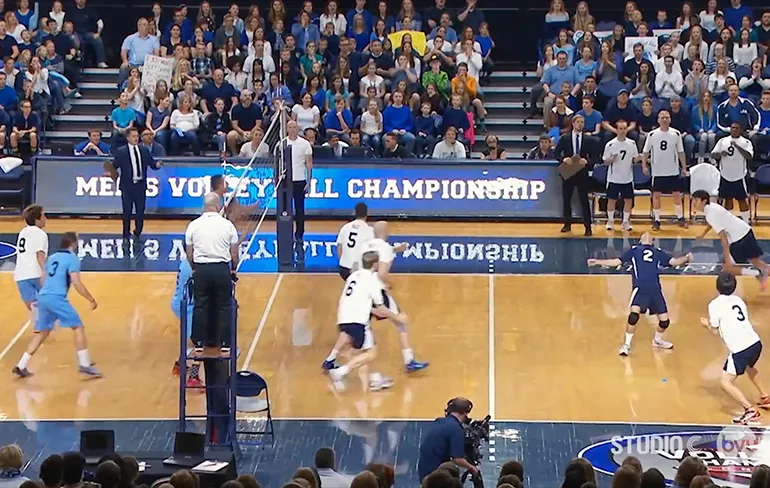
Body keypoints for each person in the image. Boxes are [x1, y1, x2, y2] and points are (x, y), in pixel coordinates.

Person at [587, 232, 693, 356]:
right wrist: (598, 261)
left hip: (655, 290)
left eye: (650, 236)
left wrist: (686, 258)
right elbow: (617, 261)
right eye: (644, 235)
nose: (647, 235)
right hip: (640, 289)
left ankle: (657, 340)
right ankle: (626, 345)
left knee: (665, 322)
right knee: (633, 315)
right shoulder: (634, 251)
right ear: (640, 240)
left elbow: (673, 261)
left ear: (652, 241)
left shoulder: (657, 252)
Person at [12, 231, 100, 378]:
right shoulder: (72, 258)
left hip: (43, 297)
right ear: (73, 243)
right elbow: (76, 282)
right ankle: (85, 364)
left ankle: (21, 365)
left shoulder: (52, 257)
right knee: (78, 327)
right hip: (56, 298)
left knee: (43, 333)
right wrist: (91, 299)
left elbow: (42, 279)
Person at [327, 251, 405, 392]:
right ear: (375, 264)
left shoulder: (353, 276)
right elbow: (381, 307)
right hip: (358, 321)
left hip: (343, 317)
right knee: (371, 354)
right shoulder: (372, 281)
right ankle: (340, 372)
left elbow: (362, 303)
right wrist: (397, 318)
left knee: (366, 351)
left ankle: (373, 379)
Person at [358, 221, 428, 372]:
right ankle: (409, 359)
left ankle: (333, 357)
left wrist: (396, 249)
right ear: (385, 232)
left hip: (361, 289)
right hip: (377, 290)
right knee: (400, 322)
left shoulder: (365, 246)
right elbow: (382, 273)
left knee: (362, 324)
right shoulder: (385, 248)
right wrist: (390, 283)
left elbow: (378, 254)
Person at [701, 272, 769, 425]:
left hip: (740, 349)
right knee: (750, 368)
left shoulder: (714, 305)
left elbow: (714, 331)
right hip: (755, 343)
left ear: (717, 287)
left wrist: (706, 325)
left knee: (725, 382)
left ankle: (750, 410)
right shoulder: (738, 300)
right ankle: (765, 397)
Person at [185, 192, 239, 354]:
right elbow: (234, 253)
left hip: (201, 269)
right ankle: (225, 343)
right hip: (221, 269)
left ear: (204, 206)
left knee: (200, 305)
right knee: (224, 305)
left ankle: (200, 342)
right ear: (218, 206)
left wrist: (195, 267)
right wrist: (233, 268)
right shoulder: (227, 225)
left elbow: (189, 253)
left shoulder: (193, 225)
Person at [692, 190, 769, 289]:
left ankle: (757, 273)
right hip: (746, 231)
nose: (694, 202)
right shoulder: (713, 207)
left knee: (728, 268)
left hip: (738, 239)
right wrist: (703, 234)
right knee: (755, 261)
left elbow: (723, 238)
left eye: (696, 200)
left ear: (704, 201)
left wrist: (727, 257)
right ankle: (763, 276)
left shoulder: (710, 215)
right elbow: (714, 222)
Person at [108, 128, 160, 239]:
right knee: (127, 210)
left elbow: (151, 163)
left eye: (137, 136)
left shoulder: (144, 150)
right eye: (133, 136)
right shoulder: (121, 151)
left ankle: (138, 230)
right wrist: (110, 173)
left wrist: (157, 165)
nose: (136, 138)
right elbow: (114, 165)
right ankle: (126, 232)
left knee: (140, 210)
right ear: (127, 138)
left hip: (140, 185)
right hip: (127, 186)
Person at [642, 110, 688, 230]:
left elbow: (681, 152)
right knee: (656, 195)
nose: (664, 119)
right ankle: (656, 220)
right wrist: (644, 165)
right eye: (662, 117)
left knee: (676, 194)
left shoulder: (676, 134)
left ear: (670, 119)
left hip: (672, 170)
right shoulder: (652, 134)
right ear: (658, 120)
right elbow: (646, 151)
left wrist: (684, 167)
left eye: (667, 117)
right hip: (658, 171)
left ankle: (680, 217)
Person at [417, 397, 479, 482]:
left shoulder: (439, 421)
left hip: (424, 472)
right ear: (465, 413)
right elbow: (457, 459)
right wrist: (472, 467)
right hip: (436, 475)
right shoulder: (456, 428)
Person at [555, 114, 592, 236]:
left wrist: (587, 161)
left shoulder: (588, 139)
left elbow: (595, 156)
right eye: (578, 122)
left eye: (582, 122)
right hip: (569, 171)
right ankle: (567, 224)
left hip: (582, 172)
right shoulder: (565, 138)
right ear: (573, 123)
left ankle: (587, 226)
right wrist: (563, 158)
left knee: (584, 200)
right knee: (567, 198)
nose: (580, 124)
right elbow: (556, 153)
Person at [170, 258, 203, 388]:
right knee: (199, 341)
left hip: (181, 302)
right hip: (187, 306)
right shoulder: (193, 268)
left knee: (195, 340)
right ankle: (192, 376)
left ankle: (180, 365)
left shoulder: (186, 263)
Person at [283, 120, 313, 261]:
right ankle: (286, 233)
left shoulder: (305, 144)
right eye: (290, 127)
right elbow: (278, 162)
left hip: (300, 180)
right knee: (285, 210)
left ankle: (299, 234)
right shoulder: (281, 144)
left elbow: (309, 163)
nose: (293, 129)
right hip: (286, 180)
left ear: (297, 128)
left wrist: (309, 180)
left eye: (295, 127)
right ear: (287, 129)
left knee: (299, 209)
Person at [602, 119, 639, 231]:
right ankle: (610, 221)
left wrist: (639, 159)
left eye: (624, 128)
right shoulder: (611, 144)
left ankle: (625, 221)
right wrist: (611, 159)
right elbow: (605, 161)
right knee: (611, 199)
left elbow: (635, 158)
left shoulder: (632, 144)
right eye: (620, 129)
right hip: (614, 177)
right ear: (616, 130)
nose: (622, 131)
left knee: (628, 200)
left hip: (627, 177)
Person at [711, 121, 752, 223]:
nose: (734, 130)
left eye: (737, 128)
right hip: (725, 174)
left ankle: (746, 221)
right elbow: (713, 154)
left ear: (741, 130)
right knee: (727, 199)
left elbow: (749, 156)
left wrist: (737, 146)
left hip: (739, 175)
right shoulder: (723, 141)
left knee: (742, 200)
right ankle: (728, 222)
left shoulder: (746, 142)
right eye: (732, 128)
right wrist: (720, 153)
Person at [14, 204, 47, 316]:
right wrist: (46, 272)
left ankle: (39, 327)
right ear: (37, 219)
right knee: (48, 303)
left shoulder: (23, 232)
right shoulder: (40, 233)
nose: (45, 218)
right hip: (36, 273)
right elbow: (40, 255)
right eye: (43, 215)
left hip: (21, 275)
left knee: (34, 307)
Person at [334, 202, 374, 282]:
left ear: (355, 212)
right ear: (366, 214)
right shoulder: (369, 230)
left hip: (343, 269)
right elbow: (371, 252)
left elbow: (339, 247)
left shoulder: (345, 227)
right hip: (358, 270)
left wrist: (343, 261)